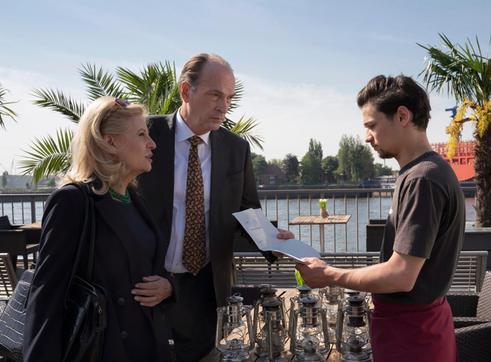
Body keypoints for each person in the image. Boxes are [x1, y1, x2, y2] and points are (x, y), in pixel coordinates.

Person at [296, 75, 465, 361]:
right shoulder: (422, 172)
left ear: (402, 116)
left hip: (414, 337)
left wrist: (330, 276)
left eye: (371, 125)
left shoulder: (423, 179)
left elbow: (401, 275)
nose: (366, 136)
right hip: (414, 329)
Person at [137, 53, 293, 362]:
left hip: (205, 289)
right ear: (186, 92)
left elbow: (248, 212)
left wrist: (271, 242)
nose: (224, 106)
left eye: (229, 98)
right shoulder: (146, 135)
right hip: (149, 285)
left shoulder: (236, 148)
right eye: (215, 95)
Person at [24, 97, 174, 361]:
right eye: (141, 135)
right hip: (103, 349)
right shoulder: (73, 201)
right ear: (109, 141)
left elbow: (144, 265)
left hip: (148, 347)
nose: (152, 144)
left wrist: (168, 287)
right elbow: (47, 295)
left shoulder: (135, 200)